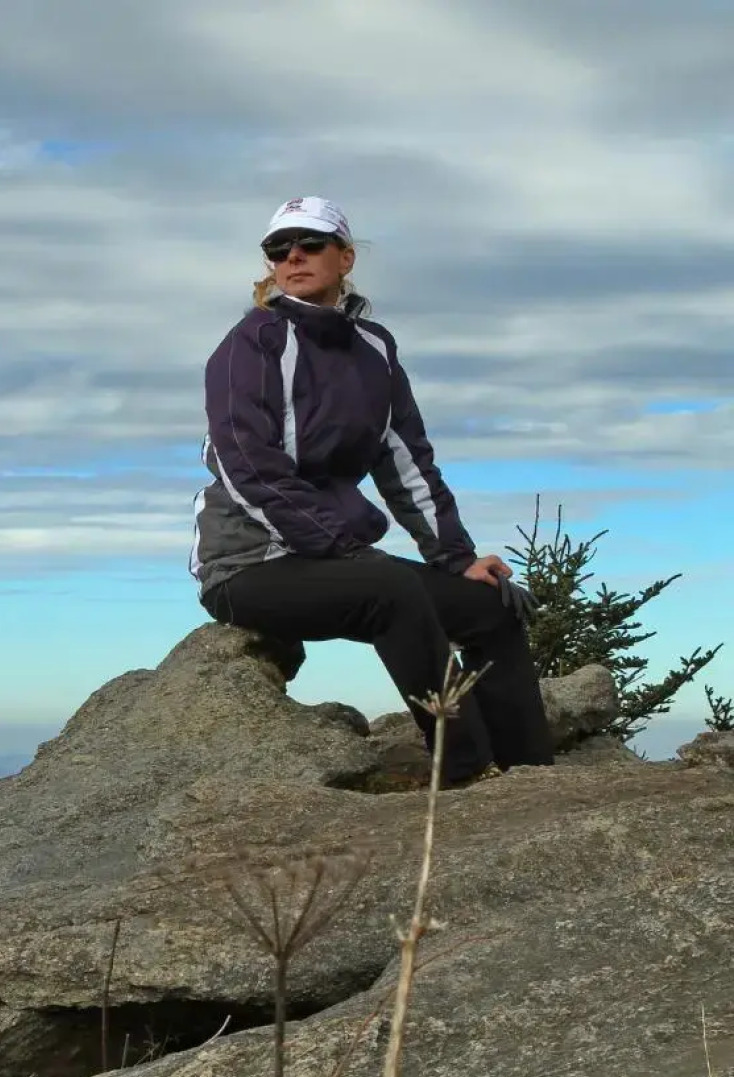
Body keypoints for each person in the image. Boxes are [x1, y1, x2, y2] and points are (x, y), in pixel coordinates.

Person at [188, 195, 554, 786]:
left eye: (309, 244)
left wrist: (457, 559)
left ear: (345, 257)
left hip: (337, 557)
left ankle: (533, 776)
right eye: (278, 250)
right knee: (388, 588)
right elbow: (247, 466)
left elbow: (408, 463)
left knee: (489, 604)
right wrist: (339, 544)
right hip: (247, 567)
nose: (293, 257)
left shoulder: (375, 350)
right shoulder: (252, 345)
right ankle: (463, 771)